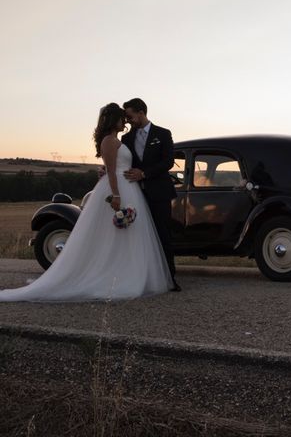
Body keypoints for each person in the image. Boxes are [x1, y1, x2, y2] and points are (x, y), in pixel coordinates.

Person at [0, 104, 173, 301]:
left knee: (129, 235)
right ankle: (112, 276)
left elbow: (121, 164)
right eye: (121, 117)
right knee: (114, 234)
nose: (124, 121)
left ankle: (129, 272)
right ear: (113, 120)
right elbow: (111, 170)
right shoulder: (110, 141)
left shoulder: (119, 140)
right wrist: (115, 194)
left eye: (126, 117)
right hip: (118, 189)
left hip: (130, 188)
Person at [121, 98, 180, 291]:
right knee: (139, 236)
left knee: (163, 234)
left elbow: (168, 162)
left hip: (159, 193)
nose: (128, 121)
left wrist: (144, 174)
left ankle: (169, 279)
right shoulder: (126, 139)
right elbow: (124, 162)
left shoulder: (163, 134)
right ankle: (142, 278)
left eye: (130, 116)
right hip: (136, 194)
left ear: (141, 112)